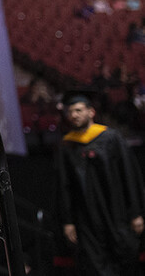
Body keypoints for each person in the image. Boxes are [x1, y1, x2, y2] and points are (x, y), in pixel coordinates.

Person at [56, 93, 145, 275]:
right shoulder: (66, 146)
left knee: (124, 259)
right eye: (71, 111)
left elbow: (129, 175)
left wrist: (136, 212)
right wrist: (68, 221)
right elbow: (64, 186)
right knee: (94, 264)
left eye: (79, 110)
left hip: (116, 211)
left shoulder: (111, 138)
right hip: (86, 218)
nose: (74, 115)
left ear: (91, 112)